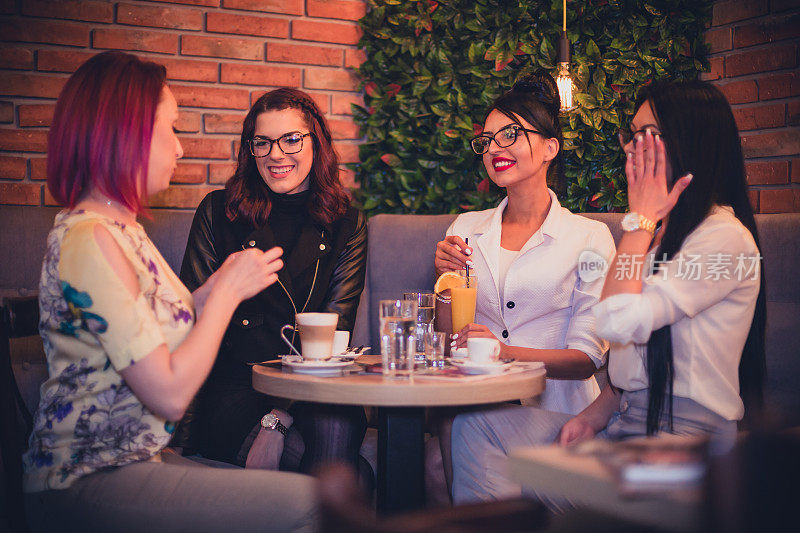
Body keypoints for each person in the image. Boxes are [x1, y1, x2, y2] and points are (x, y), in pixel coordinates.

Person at [23, 51, 316, 531]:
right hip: (85, 477)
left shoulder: (123, 231)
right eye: (172, 129)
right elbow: (170, 394)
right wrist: (226, 297)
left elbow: (153, 321)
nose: (180, 149)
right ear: (128, 134)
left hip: (134, 460)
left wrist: (216, 286)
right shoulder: (89, 241)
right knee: (311, 503)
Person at [450, 79, 766, 506]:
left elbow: (616, 321)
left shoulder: (723, 238)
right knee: (475, 426)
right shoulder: (659, 235)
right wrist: (591, 418)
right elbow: (629, 356)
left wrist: (638, 220)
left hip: (685, 445)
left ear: (692, 142)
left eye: (646, 136)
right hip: (624, 424)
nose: (632, 149)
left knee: (530, 471)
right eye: (631, 136)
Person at [432, 72, 615, 491]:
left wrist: (504, 352)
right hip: (473, 402)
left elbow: (588, 358)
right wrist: (444, 283)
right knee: (434, 460)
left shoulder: (589, 237)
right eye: (488, 139)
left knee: (448, 448)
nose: (495, 148)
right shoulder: (466, 227)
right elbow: (448, 340)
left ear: (551, 147)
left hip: (561, 415)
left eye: (510, 134)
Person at [174, 88, 369, 479]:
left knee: (338, 423)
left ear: (317, 143)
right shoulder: (218, 211)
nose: (276, 155)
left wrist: (278, 417)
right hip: (236, 386)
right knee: (357, 480)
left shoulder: (347, 222)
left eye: (291, 139)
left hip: (314, 384)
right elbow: (186, 317)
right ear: (251, 150)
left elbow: (335, 330)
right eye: (263, 142)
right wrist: (180, 432)